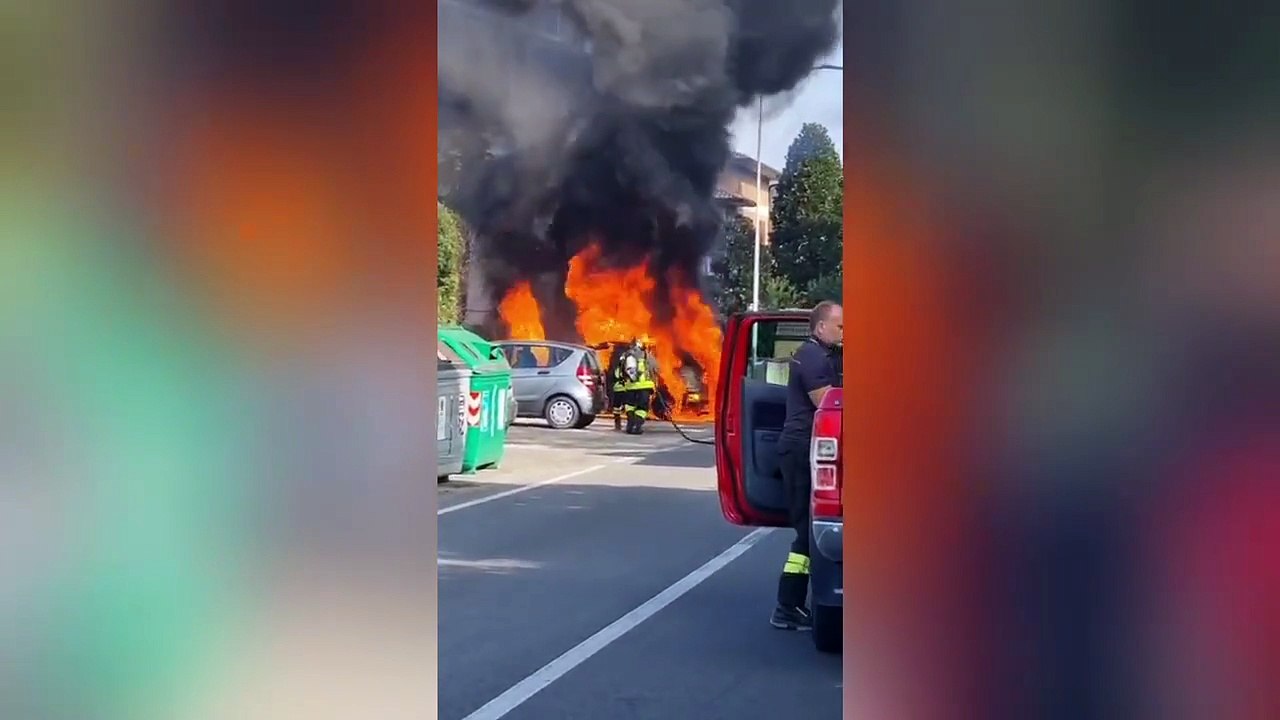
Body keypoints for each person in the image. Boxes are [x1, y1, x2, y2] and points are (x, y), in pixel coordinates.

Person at [771, 300, 844, 630]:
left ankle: (793, 604)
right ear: (821, 327)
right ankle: (786, 606)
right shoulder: (813, 357)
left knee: (807, 532)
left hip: (802, 448)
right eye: (840, 326)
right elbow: (827, 402)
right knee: (805, 533)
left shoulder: (820, 354)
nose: (844, 332)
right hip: (801, 450)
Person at [620, 337, 657, 435]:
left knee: (630, 406)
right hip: (644, 387)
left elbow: (623, 370)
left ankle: (631, 425)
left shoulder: (627, 355)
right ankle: (636, 426)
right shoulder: (647, 356)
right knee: (642, 408)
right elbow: (656, 369)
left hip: (630, 387)